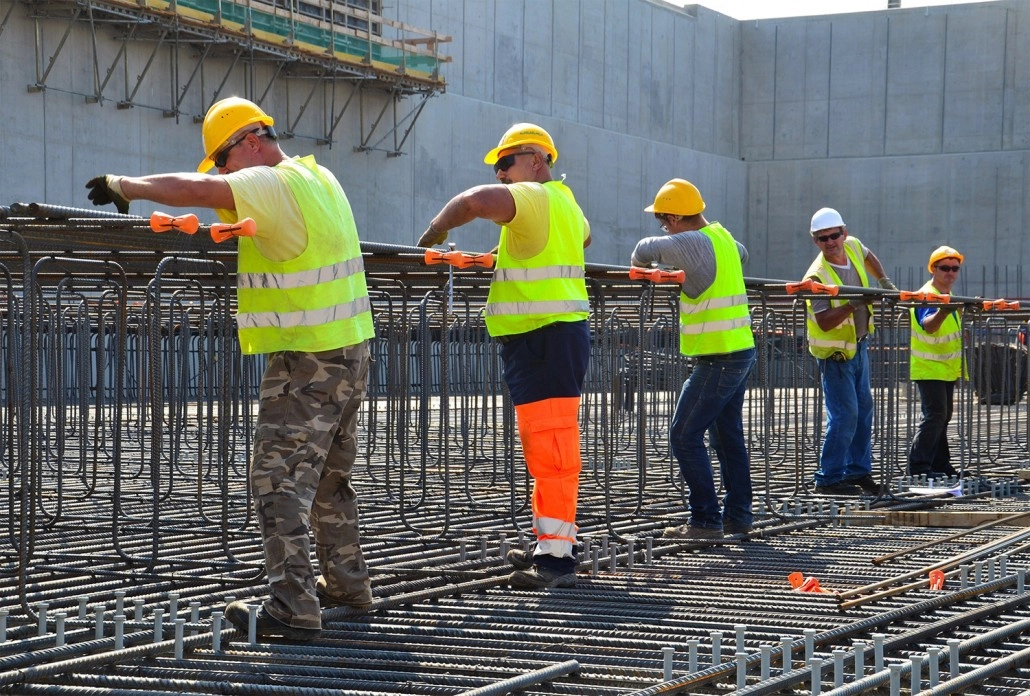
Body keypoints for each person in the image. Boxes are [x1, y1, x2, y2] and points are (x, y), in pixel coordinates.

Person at [85, 96, 376, 641]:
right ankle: (348, 585)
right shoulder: (319, 178)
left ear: (247, 143)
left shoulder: (270, 182)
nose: (222, 175)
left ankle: (293, 608)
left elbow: (198, 191)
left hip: (308, 359)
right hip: (350, 351)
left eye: (222, 161)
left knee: (276, 479)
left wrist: (126, 185)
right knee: (329, 479)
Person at [417, 123, 590, 589]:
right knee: (544, 447)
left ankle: (556, 559)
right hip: (546, 338)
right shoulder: (564, 205)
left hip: (545, 338)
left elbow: (473, 201)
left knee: (552, 449)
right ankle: (549, 544)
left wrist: (435, 231)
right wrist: (506, 253)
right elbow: (583, 240)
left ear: (536, 160)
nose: (501, 177)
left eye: (506, 165)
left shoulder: (536, 195)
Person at [630, 179, 756, 539]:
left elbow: (645, 248)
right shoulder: (723, 238)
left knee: (683, 435)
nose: (663, 228)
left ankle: (704, 521)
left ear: (674, 216)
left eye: (664, 221)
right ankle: (738, 516)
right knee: (727, 437)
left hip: (718, 357)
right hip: (739, 350)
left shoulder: (693, 240)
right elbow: (742, 253)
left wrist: (641, 265)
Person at [803, 207, 897, 496]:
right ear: (815, 240)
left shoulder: (853, 246)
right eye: (823, 238)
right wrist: (853, 303)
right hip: (835, 355)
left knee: (863, 411)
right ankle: (828, 478)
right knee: (845, 416)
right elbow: (824, 321)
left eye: (834, 235)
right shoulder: (816, 276)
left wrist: (883, 282)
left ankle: (858, 472)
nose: (831, 242)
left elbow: (868, 256)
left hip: (859, 345)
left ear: (844, 232)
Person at [907, 246, 964, 479]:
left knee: (943, 415)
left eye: (955, 268)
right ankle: (918, 466)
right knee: (935, 416)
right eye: (945, 268)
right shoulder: (927, 295)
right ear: (933, 269)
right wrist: (944, 311)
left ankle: (940, 463)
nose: (950, 273)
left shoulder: (946, 298)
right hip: (929, 368)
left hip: (945, 368)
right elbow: (928, 325)